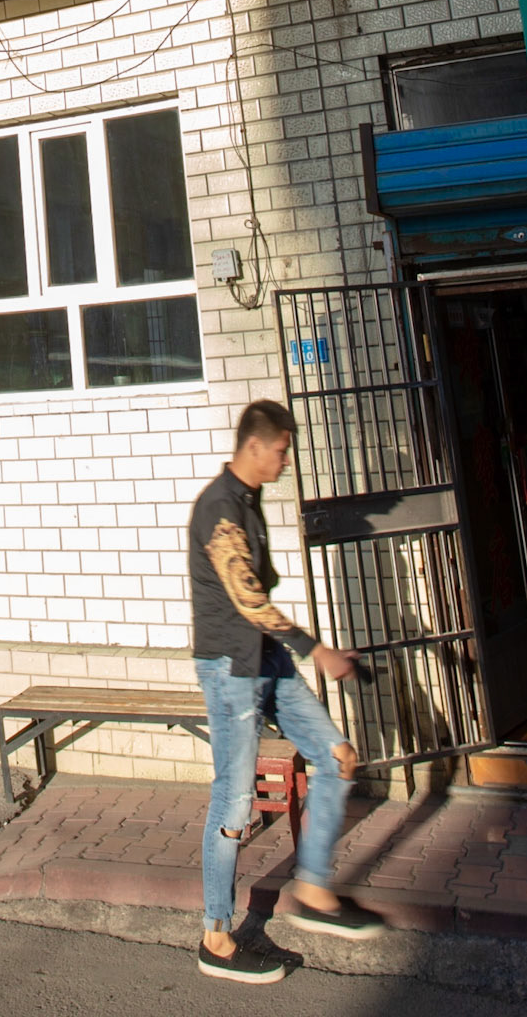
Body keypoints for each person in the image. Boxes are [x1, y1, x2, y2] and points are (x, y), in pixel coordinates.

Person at [188, 398, 385, 984]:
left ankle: (314, 889)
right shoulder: (220, 511)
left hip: (265, 660)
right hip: (231, 670)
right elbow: (248, 599)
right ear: (255, 445)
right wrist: (315, 648)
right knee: (234, 800)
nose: (285, 460)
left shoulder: (248, 502)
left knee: (338, 756)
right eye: (281, 449)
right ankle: (216, 937)